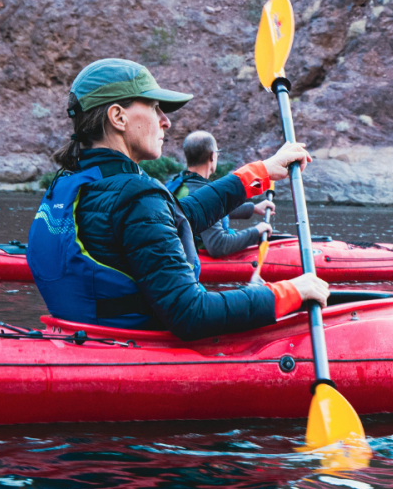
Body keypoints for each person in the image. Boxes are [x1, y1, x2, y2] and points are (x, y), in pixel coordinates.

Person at [27, 58, 328, 340]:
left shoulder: (70, 183)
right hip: (130, 346)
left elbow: (169, 220)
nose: (165, 121)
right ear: (117, 117)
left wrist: (259, 173)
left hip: (84, 336)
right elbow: (190, 314)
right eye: (155, 107)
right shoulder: (135, 197)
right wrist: (288, 291)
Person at [166, 131, 273, 258]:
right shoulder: (201, 192)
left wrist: (253, 208)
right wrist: (256, 231)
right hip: (198, 257)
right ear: (212, 156)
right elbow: (217, 245)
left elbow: (211, 209)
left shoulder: (178, 183)